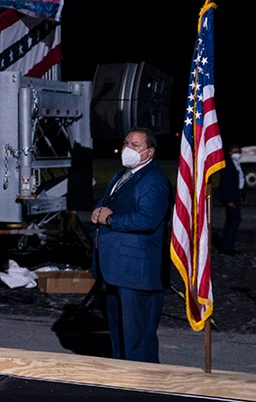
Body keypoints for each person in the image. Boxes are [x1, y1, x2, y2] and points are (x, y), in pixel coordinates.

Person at [90, 128, 171, 363]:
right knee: (119, 333)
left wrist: (111, 219)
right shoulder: (121, 175)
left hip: (137, 273)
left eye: (135, 145)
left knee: (138, 337)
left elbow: (148, 219)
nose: (128, 149)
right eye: (126, 143)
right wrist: (98, 211)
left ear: (149, 152)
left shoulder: (154, 180)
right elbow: (107, 203)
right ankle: (122, 379)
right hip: (115, 270)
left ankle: (144, 385)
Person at [218, 145, 243, 255]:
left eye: (238, 151)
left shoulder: (237, 164)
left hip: (237, 196)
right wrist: (229, 200)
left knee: (233, 221)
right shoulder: (228, 165)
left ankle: (229, 245)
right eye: (234, 151)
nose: (237, 153)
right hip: (231, 198)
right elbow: (226, 183)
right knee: (233, 221)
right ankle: (227, 247)